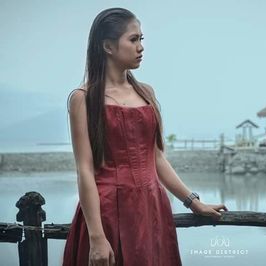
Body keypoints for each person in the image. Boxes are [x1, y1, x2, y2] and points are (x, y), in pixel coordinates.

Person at [63, 8, 228, 266]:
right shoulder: (83, 98)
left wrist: (194, 202)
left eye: (142, 39)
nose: (141, 47)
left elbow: (157, 158)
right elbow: (85, 170)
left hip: (152, 209)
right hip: (107, 211)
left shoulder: (146, 93)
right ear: (107, 46)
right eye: (133, 39)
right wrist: (96, 237)